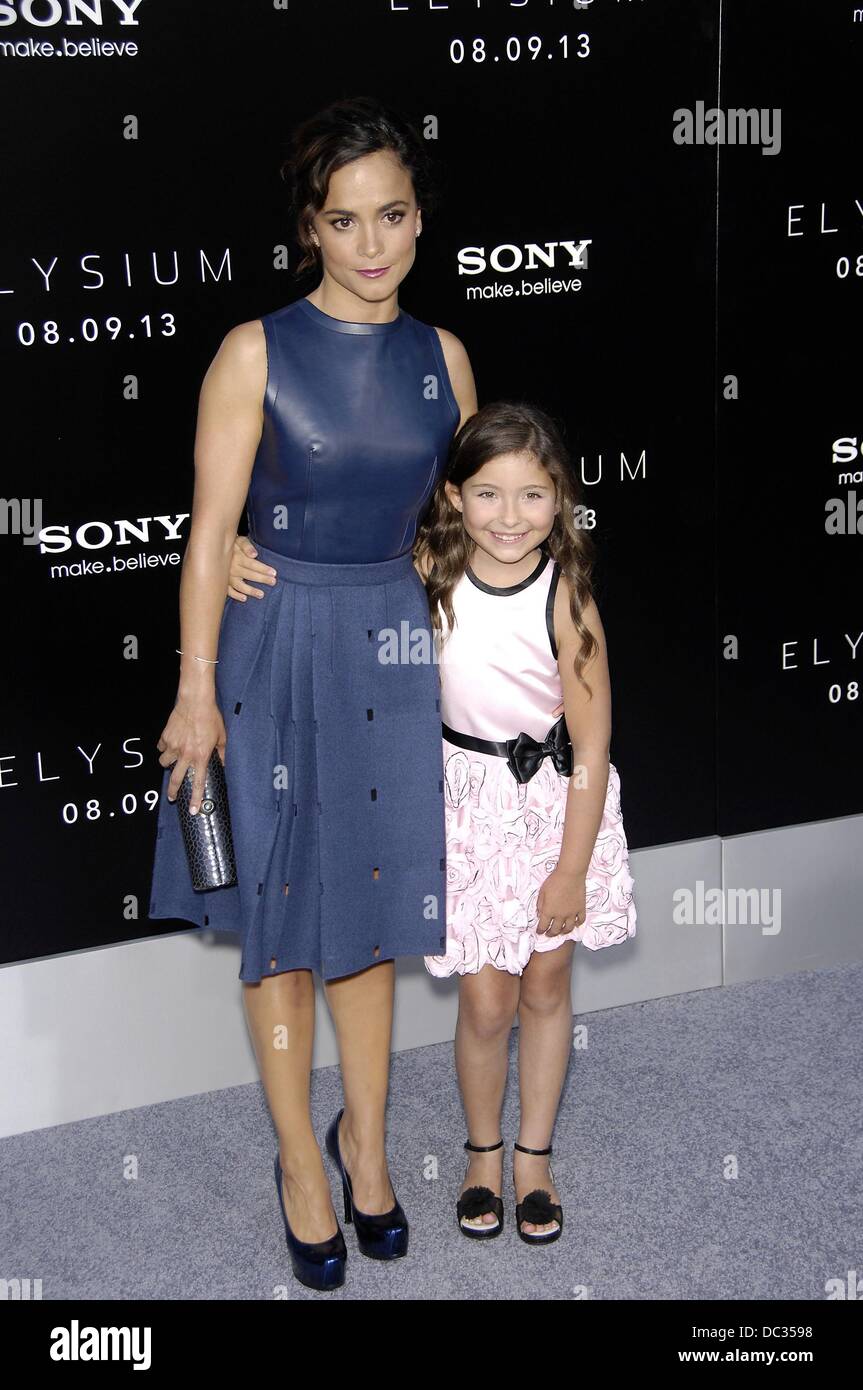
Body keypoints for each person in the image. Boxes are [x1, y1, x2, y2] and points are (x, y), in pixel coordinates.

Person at [146, 96, 477, 1291]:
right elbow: (204, 536)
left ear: (419, 218)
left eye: (392, 215)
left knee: (373, 916)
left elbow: (460, 521)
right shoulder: (254, 349)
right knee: (284, 917)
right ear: (311, 230)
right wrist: (196, 691)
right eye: (346, 221)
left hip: (390, 643)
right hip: (272, 642)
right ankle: (299, 1163)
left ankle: (368, 1149)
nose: (373, 243)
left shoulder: (443, 358)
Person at [229, 399, 637, 1248]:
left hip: (555, 812)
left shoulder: (567, 597)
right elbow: (335, 567)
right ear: (452, 497)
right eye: (488, 494)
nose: (509, 517)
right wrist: (241, 548)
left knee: (545, 988)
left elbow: (594, 743)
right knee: (486, 1004)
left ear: (560, 498)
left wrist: (569, 869)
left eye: (532, 496)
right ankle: (480, 1153)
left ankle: (532, 1158)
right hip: (464, 809)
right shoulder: (426, 573)